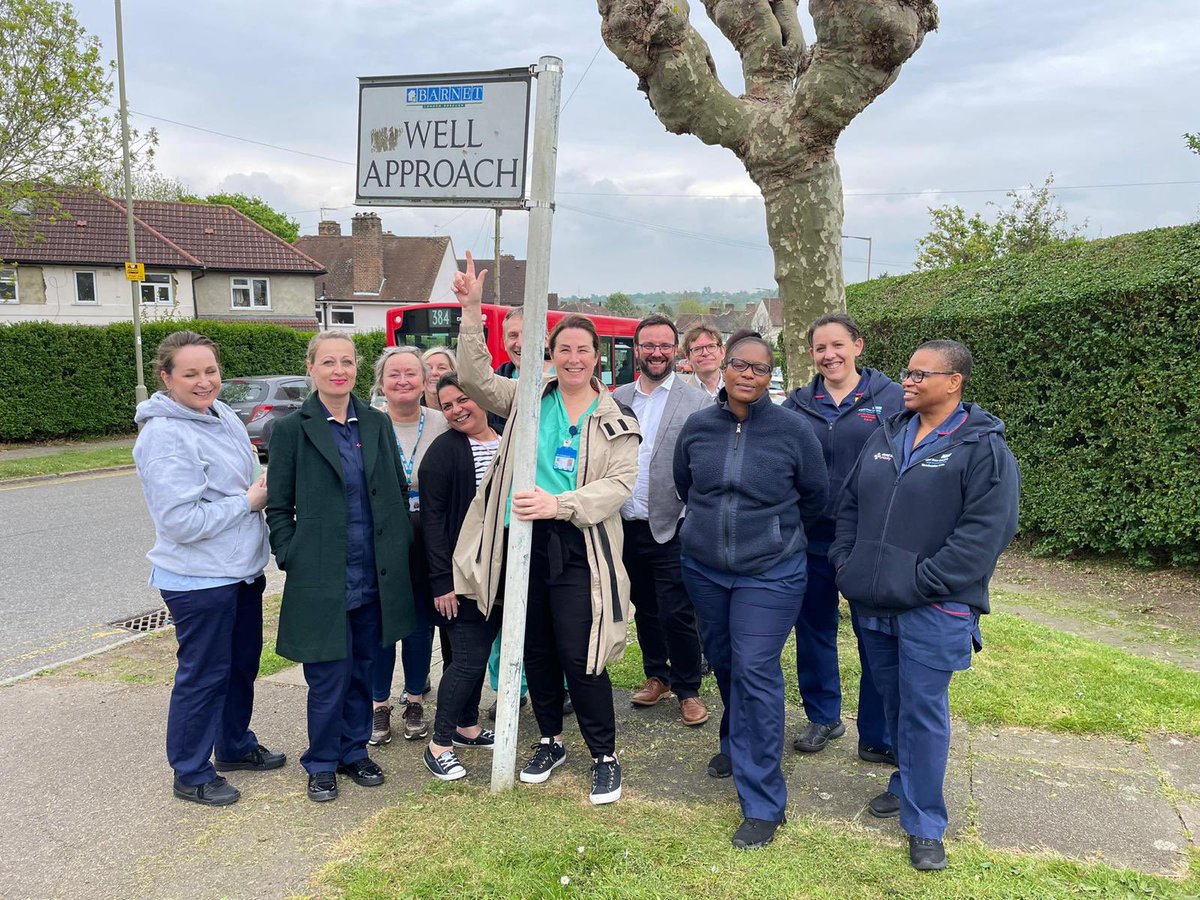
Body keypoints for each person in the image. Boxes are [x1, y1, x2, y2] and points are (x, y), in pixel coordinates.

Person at [452, 252, 640, 805]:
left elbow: (619, 486)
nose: (574, 358)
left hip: (578, 546)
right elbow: (473, 377)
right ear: (549, 355)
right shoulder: (527, 398)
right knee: (533, 647)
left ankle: (604, 754)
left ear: (597, 358)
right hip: (521, 541)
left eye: (583, 350)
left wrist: (558, 504)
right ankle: (551, 739)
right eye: (564, 349)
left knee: (580, 653)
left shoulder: (614, 419)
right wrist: (469, 312)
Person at [830, 340, 1020, 871]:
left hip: (935, 607)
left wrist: (922, 581)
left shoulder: (982, 449)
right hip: (874, 601)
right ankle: (906, 782)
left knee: (924, 711)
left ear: (954, 380)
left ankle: (925, 822)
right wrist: (847, 563)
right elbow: (850, 504)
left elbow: (986, 533)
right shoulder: (886, 433)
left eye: (919, 373)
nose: (907, 381)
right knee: (893, 707)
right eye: (906, 372)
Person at [673, 329, 827, 849]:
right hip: (705, 569)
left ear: (770, 376)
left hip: (772, 573)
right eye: (740, 364)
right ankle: (735, 744)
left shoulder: (794, 430)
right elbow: (684, 485)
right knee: (724, 661)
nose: (748, 374)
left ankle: (763, 801)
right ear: (724, 365)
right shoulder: (698, 428)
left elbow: (815, 495)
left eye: (760, 368)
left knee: (756, 667)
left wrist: (772, 536)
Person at [134, 330, 284, 807]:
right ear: (166, 378)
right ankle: (191, 771)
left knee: (241, 666)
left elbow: (235, 484)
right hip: (198, 581)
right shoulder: (164, 435)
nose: (204, 382)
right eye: (191, 374)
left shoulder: (220, 415)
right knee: (204, 674)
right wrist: (249, 501)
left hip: (238, 572)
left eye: (211, 371)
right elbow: (180, 522)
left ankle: (234, 746)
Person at [266, 331, 416, 803]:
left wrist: (399, 549)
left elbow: (393, 488)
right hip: (322, 576)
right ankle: (322, 761)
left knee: (364, 669)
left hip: (374, 573)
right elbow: (278, 505)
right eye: (328, 361)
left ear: (356, 368)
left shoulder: (374, 423)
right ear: (310, 368)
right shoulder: (292, 429)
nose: (339, 370)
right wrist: (289, 552)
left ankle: (354, 752)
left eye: (347, 362)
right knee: (328, 676)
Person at [782, 314, 904, 762]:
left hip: (869, 540)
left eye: (837, 345)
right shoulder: (796, 405)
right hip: (810, 537)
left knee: (873, 633)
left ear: (858, 346)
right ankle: (823, 716)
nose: (829, 355)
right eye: (819, 348)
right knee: (813, 628)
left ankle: (877, 732)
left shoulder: (891, 399)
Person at [614, 314, 710, 727]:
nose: (656, 353)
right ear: (637, 349)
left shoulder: (698, 402)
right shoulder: (616, 398)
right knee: (645, 608)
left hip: (672, 524)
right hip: (624, 523)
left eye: (664, 346)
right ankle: (657, 676)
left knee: (677, 611)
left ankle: (688, 688)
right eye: (648, 345)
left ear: (676, 351)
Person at [417, 373, 503, 779]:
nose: (456, 410)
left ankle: (467, 727)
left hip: (503, 573)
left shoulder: (506, 438)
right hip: (463, 577)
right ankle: (439, 743)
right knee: (467, 659)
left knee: (475, 655)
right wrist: (442, 582)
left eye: (463, 399)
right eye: (447, 405)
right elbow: (432, 522)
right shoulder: (444, 452)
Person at [366, 347, 450, 746]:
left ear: (425, 381)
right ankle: (378, 705)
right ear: (381, 382)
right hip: (382, 534)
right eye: (393, 374)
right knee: (383, 625)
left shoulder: (441, 422)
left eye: (411, 374)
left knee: (420, 623)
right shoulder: (369, 424)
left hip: (429, 534)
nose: (403, 381)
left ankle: (414, 698)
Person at [678, 324, 724, 400]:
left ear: (722, 351)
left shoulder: (738, 391)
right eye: (697, 349)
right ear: (688, 357)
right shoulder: (679, 396)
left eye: (711, 346)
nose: (705, 353)